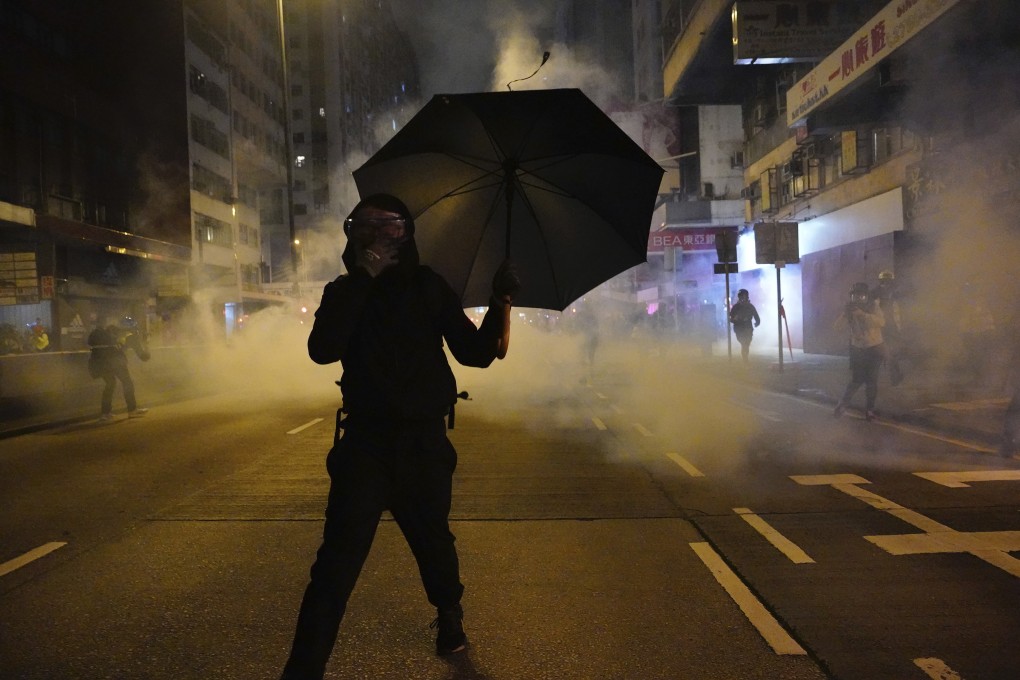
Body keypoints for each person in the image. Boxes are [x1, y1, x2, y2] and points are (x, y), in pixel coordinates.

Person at [279, 193, 520, 679]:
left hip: (424, 445)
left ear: (407, 234)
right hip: (365, 446)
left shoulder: (429, 287)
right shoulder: (344, 291)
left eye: (391, 227)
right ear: (353, 237)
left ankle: (449, 614)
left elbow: (475, 353)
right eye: (367, 228)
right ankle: (302, 670)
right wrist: (362, 282)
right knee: (335, 566)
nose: (380, 237)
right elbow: (322, 350)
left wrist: (500, 303)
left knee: (434, 543)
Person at [833, 282, 886, 421]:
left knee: (872, 381)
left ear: (866, 296)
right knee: (856, 380)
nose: (858, 298)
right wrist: (845, 315)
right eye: (855, 296)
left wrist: (863, 315)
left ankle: (870, 410)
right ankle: (842, 405)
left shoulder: (873, 306)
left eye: (861, 295)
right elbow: (837, 327)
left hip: (874, 347)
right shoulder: (849, 310)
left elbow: (881, 322)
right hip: (858, 349)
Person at [87, 319, 149, 420]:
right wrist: (146, 345)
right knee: (127, 383)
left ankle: (105, 413)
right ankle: (132, 410)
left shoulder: (100, 333)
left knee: (110, 384)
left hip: (100, 363)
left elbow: (90, 343)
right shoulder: (130, 335)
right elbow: (144, 357)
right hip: (116, 362)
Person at [874, 271, 904, 385]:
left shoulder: (875, 293)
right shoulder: (892, 294)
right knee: (890, 352)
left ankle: (894, 375)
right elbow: (896, 313)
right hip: (887, 327)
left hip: (883, 327)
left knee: (889, 352)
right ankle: (894, 377)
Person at [728, 289, 760, 363]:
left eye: (745, 296)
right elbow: (730, 318)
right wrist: (735, 319)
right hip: (739, 329)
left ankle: (745, 358)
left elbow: (756, 316)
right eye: (742, 296)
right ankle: (745, 359)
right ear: (739, 297)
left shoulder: (750, 306)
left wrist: (757, 322)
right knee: (744, 343)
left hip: (748, 328)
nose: (743, 298)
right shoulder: (735, 307)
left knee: (747, 344)